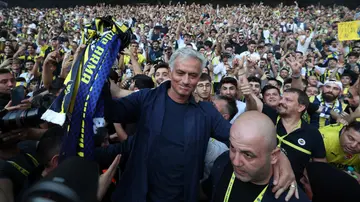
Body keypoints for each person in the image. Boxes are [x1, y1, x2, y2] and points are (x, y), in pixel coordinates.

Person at [106, 47, 296, 202]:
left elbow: (242, 139)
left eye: (193, 75)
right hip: (136, 194)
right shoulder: (146, 99)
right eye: (180, 73)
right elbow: (111, 111)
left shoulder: (206, 113)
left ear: (200, 77)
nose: (186, 81)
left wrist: (282, 158)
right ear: (171, 72)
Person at [201, 111, 309, 202]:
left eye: (248, 155)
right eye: (232, 148)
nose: (236, 162)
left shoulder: (290, 198)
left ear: (274, 156)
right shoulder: (223, 162)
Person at [248, 87, 327, 183]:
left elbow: (320, 168)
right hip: (258, 180)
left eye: (288, 100)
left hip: (291, 188)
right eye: (281, 98)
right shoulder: (270, 116)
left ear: (300, 107)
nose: (281, 102)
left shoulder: (313, 134)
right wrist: (243, 78)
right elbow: (254, 101)